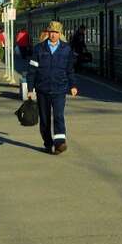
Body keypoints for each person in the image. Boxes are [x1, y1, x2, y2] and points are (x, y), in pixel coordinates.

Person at [27, 21, 78, 155]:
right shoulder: (39, 48)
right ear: (47, 33)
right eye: (51, 32)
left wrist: (73, 85)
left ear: (60, 34)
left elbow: (70, 69)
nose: (53, 35)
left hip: (59, 88)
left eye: (56, 32)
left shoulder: (66, 49)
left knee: (58, 116)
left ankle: (60, 143)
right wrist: (30, 89)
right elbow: (32, 70)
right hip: (42, 89)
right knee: (44, 119)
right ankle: (48, 143)